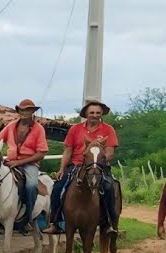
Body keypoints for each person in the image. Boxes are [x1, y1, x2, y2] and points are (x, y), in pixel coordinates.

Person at [42, 100, 119, 235]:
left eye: (98, 113)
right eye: (92, 112)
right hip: (76, 164)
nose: (95, 115)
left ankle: (109, 223)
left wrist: (96, 162)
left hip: (99, 165)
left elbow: (110, 153)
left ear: (101, 114)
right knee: (58, 186)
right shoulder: (75, 129)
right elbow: (68, 151)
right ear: (86, 114)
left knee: (108, 187)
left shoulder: (108, 129)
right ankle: (56, 222)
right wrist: (62, 169)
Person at [0, 98, 48, 233]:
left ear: (32, 112)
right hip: (10, 162)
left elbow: (41, 153)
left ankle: (28, 218)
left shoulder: (38, 129)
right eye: (22, 110)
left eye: (28, 110)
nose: (24, 113)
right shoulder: (11, 126)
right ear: (18, 111)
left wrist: (19, 162)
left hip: (29, 164)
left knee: (31, 185)